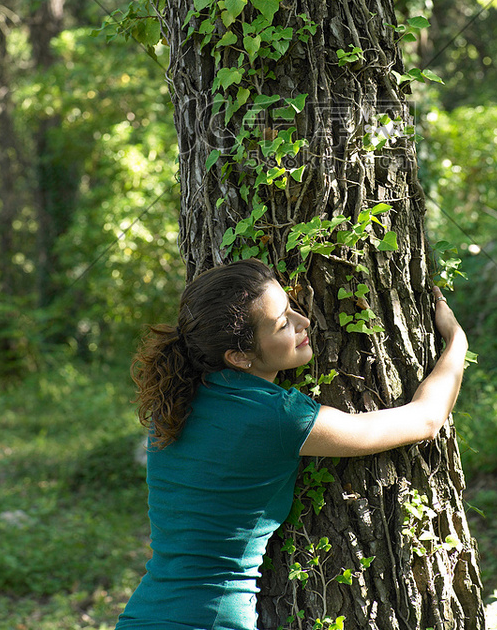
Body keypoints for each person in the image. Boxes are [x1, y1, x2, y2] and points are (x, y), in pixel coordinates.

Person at [115, 257, 468, 630]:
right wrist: (456, 339)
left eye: (292, 309)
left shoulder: (172, 404)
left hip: (142, 614)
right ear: (239, 356)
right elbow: (425, 419)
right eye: (283, 323)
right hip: (207, 620)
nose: (305, 322)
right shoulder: (275, 417)